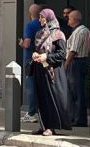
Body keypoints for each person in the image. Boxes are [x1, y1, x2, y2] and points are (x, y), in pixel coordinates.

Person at [29, 8, 71, 137]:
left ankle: (51, 127)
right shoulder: (39, 33)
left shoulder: (58, 34)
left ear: (49, 18)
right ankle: (43, 125)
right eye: (40, 17)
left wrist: (46, 57)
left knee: (51, 98)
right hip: (40, 70)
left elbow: (62, 54)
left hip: (53, 72)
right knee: (40, 97)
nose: (40, 19)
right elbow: (38, 48)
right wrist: (36, 54)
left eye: (43, 17)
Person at [64, 9, 90, 128]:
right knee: (77, 91)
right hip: (81, 62)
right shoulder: (84, 30)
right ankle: (75, 116)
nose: (68, 21)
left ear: (75, 20)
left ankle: (78, 118)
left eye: (69, 18)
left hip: (76, 62)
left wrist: (66, 64)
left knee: (76, 91)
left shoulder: (79, 32)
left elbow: (73, 50)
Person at [20, 3, 42, 124]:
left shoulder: (30, 26)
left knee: (31, 86)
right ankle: (40, 111)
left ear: (30, 14)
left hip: (30, 59)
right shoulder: (44, 24)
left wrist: (21, 43)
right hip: (42, 58)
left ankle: (32, 112)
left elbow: (27, 44)